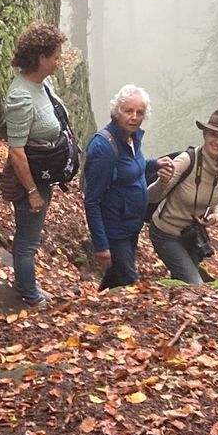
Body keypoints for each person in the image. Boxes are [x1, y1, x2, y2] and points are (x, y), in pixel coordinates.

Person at [83, 85, 174, 289]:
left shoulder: (132, 138)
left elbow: (131, 167)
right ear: (117, 111)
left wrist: (155, 164)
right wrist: (101, 245)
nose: (134, 117)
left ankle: (98, 304)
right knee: (132, 287)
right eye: (128, 111)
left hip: (131, 225)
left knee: (115, 282)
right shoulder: (103, 147)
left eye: (139, 112)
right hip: (115, 231)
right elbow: (92, 201)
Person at [3, 22, 68, 305]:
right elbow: (16, 151)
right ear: (41, 58)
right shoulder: (21, 96)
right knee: (27, 241)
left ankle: (26, 285)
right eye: (55, 56)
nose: (58, 61)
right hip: (30, 178)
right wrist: (31, 191)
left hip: (44, 172)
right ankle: (30, 296)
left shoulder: (43, 85)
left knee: (29, 236)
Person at [147, 110, 218, 284]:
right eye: (213, 134)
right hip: (165, 232)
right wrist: (162, 181)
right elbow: (151, 197)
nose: (217, 141)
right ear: (205, 134)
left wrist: (215, 215)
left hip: (192, 236)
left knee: (182, 286)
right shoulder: (187, 160)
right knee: (195, 284)